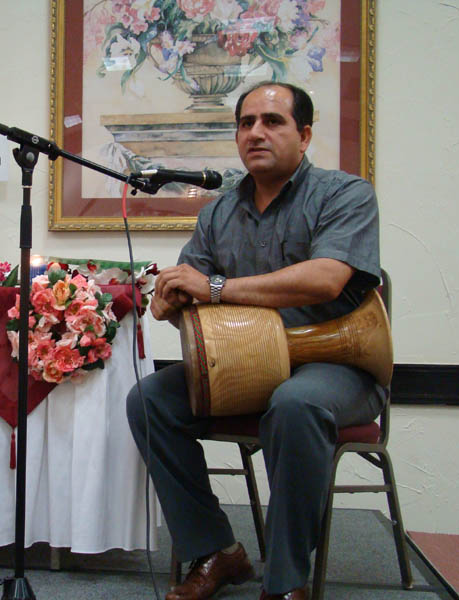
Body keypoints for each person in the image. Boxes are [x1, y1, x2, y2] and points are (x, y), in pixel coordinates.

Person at [126, 81, 385, 600]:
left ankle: (286, 581)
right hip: (246, 368)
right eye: (246, 124)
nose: (256, 133)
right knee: (149, 400)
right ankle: (216, 551)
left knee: (296, 402)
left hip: (338, 369)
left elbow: (326, 279)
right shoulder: (217, 212)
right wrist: (172, 303)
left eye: (272, 121)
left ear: (304, 135)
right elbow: (196, 299)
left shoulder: (346, 194)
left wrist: (214, 287)